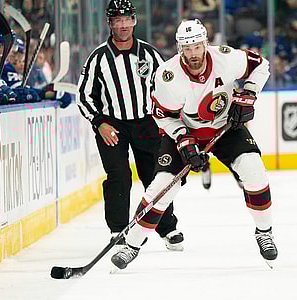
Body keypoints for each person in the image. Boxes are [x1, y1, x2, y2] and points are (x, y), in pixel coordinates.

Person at [110, 19, 278, 270]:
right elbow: (162, 115)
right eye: (187, 48)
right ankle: (131, 245)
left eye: (197, 47)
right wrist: (184, 141)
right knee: (162, 186)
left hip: (226, 127)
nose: (193, 54)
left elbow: (261, 65)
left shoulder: (226, 58)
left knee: (254, 170)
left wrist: (248, 95)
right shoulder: (168, 76)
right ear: (180, 48)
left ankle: (264, 232)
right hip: (185, 132)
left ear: (205, 44)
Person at [76, 0, 184, 252]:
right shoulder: (98, 58)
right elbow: (83, 96)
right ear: (110, 23)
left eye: (127, 19)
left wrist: (167, 118)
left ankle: (167, 228)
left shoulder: (150, 54)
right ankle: (118, 230)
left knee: (155, 176)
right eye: (117, 20)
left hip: (147, 124)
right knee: (119, 176)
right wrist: (98, 122)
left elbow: (168, 86)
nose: (123, 25)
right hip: (111, 126)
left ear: (134, 20)